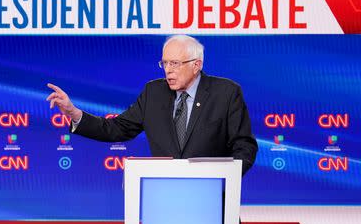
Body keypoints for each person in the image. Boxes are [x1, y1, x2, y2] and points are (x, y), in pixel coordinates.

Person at [46, 34, 257, 175]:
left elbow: (244, 146)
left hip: (213, 199)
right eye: (164, 63)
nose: (168, 70)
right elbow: (116, 129)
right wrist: (74, 113)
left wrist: (225, 178)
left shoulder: (226, 93)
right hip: (164, 201)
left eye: (174, 63)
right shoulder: (153, 93)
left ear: (196, 65)